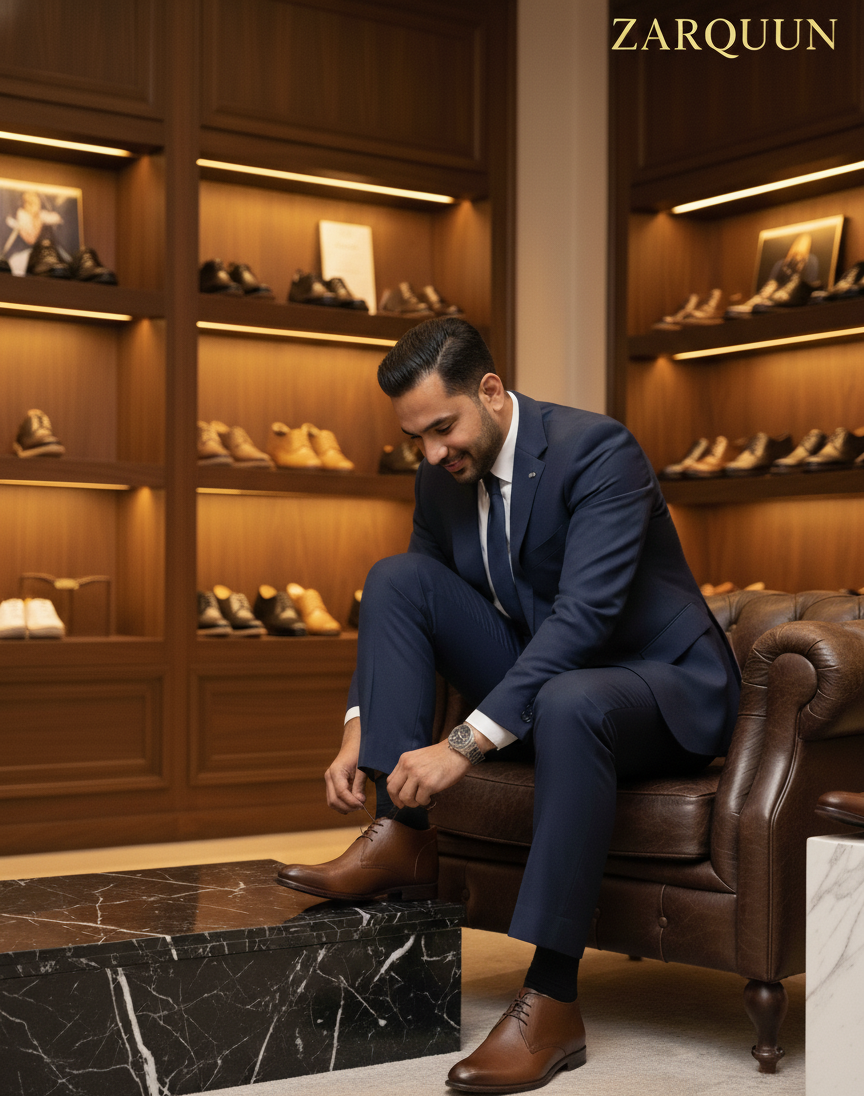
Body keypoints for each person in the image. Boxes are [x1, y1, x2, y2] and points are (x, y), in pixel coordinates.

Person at [277, 317, 741, 1093]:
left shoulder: (596, 451)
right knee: (394, 577)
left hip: (660, 686)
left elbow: (584, 620)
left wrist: (461, 743)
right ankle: (400, 829)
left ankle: (552, 1001)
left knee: (568, 700)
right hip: (552, 679)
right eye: (416, 437)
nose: (432, 453)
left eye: (444, 428)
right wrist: (361, 728)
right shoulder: (440, 475)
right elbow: (414, 605)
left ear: (491, 391)